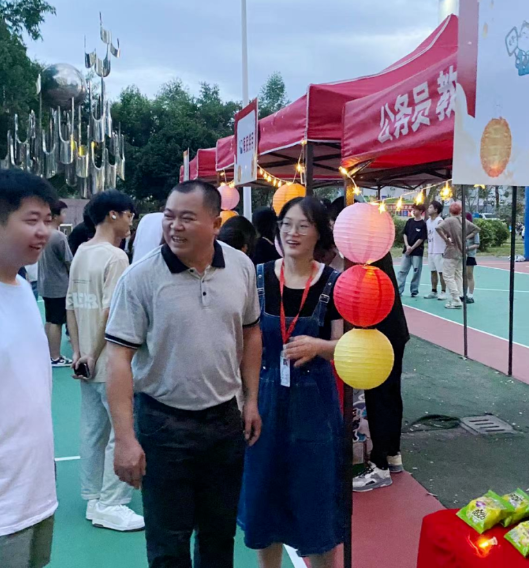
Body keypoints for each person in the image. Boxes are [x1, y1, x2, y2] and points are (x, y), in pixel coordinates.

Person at [105, 180, 262, 567]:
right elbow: (118, 358)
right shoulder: (140, 278)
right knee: (168, 542)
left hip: (224, 421)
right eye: (169, 216)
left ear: (215, 223)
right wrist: (125, 438)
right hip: (163, 425)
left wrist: (251, 400)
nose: (174, 226)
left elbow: (251, 332)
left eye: (187, 218)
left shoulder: (241, 267)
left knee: (219, 536)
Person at [239, 197, 344, 568]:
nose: (292, 233)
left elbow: (349, 346)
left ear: (319, 233)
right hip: (264, 399)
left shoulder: (335, 283)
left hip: (315, 405)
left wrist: (320, 346)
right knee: (263, 498)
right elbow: (242, 340)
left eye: (303, 225)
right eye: (286, 224)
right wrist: (248, 401)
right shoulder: (257, 277)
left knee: (316, 501)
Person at [66, 190, 144, 532]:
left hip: (85, 362)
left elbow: (71, 305)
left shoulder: (82, 252)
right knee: (119, 431)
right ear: (113, 214)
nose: (130, 222)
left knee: (92, 431)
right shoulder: (116, 257)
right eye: (129, 215)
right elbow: (110, 312)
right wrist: (94, 354)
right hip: (108, 362)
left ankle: (94, 497)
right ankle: (113, 502)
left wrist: (79, 353)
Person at [0, 170, 59, 568]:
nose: (44, 232)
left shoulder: (22, 290)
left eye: (48, 221)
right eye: (32, 220)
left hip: (35, 492)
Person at [353, 250, 410, 492]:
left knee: (379, 397)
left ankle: (379, 466)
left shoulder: (364, 257)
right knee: (389, 394)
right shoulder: (376, 251)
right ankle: (392, 454)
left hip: (380, 333)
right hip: (392, 330)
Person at [38, 200, 73, 367]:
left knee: (50, 320)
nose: (65, 216)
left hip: (46, 284)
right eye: (63, 213)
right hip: (59, 286)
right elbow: (69, 261)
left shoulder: (42, 233)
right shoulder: (58, 236)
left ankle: (48, 353)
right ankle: (55, 356)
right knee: (56, 322)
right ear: (55, 215)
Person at [436, 201, 480, 310]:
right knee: (458, 274)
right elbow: (477, 229)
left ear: (450, 210)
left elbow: (438, 228)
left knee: (448, 276)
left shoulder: (449, 220)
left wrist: (446, 239)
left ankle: (456, 298)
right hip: (462, 251)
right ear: (460, 211)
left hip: (451, 251)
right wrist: (465, 237)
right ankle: (459, 296)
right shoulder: (463, 220)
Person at [397, 203, 427, 297]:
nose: (413, 211)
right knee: (402, 271)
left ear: (421, 211)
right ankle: (399, 290)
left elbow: (421, 238)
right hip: (407, 251)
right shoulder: (409, 221)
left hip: (417, 252)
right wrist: (407, 246)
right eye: (413, 209)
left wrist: (412, 247)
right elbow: (405, 234)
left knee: (416, 271)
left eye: (415, 209)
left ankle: (414, 290)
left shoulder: (423, 224)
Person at [424, 201, 447, 300]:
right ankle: (434, 291)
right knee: (432, 271)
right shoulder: (428, 221)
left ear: (436, 210)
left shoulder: (440, 221)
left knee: (441, 272)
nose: (428, 209)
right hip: (431, 250)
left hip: (439, 250)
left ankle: (443, 291)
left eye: (430, 207)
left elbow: (446, 233)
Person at [465, 213, 480, 303]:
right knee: (462, 275)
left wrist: (467, 248)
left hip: (470, 255)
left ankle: (470, 295)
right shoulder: (461, 229)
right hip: (461, 256)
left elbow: (477, 244)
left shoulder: (474, 230)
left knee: (469, 275)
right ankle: (463, 294)